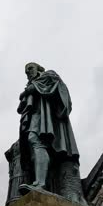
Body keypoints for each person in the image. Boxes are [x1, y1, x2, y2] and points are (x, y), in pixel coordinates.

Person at [17, 62, 80, 194]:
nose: (28, 72)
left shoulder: (49, 75)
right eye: (26, 71)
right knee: (33, 146)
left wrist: (31, 89)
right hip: (37, 117)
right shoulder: (31, 85)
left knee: (36, 141)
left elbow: (56, 86)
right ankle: (43, 182)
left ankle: (40, 184)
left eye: (30, 68)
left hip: (48, 119)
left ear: (38, 68)